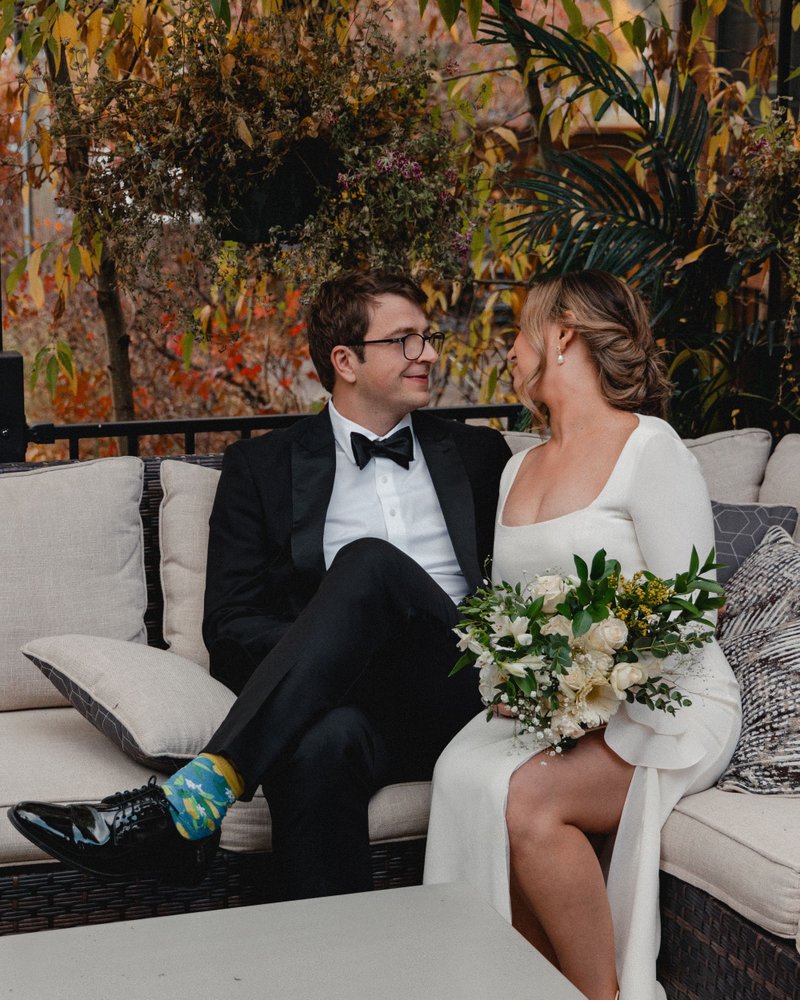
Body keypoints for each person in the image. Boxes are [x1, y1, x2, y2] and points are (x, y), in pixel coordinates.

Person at [9, 270, 511, 899]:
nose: (429, 355)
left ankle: (195, 798)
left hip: (459, 685)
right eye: (406, 340)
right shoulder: (263, 466)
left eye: (428, 337)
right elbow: (231, 624)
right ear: (345, 361)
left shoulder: (480, 456)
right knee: (316, 746)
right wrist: (337, 656)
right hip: (354, 706)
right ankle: (338, 951)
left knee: (370, 564)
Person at [422, 270, 742, 1000]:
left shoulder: (649, 448)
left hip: (667, 703)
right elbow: (509, 612)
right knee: (458, 774)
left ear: (562, 335)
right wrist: (516, 676)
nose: (509, 350)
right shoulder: (516, 470)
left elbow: (693, 612)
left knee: (527, 803)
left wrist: (595, 679)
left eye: (520, 331)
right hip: (557, 708)